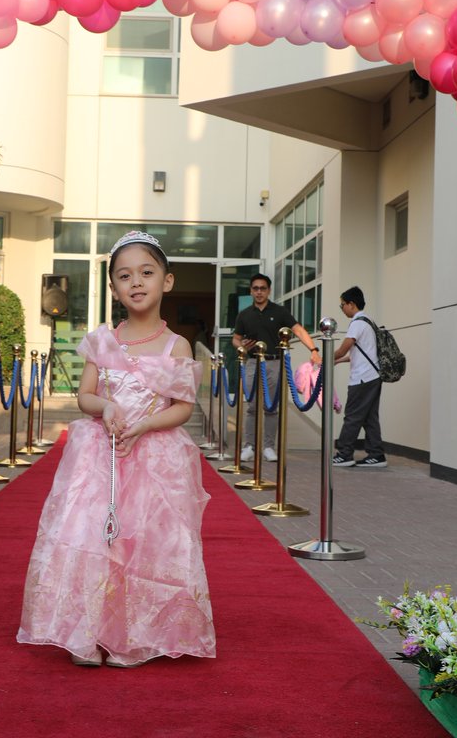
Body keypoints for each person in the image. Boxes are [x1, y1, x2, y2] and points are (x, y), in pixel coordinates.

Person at [18, 230, 215, 668]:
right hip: (99, 454)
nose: (137, 282)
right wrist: (105, 407)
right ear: (113, 288)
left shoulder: (176, 345)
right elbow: (84, 396)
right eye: (125, 276)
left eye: (147, 272)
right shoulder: (103, 341)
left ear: (167, 280)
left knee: (146, 543)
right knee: (94, 539)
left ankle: (137, 635)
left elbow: (183, 407)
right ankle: (88, 631)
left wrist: (144, 425)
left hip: (154, 457)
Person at [231, 273, 321, 463]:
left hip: (274, 362)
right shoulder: (245, 314)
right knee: (252, 407)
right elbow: (236, 338)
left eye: (263, 288)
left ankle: (268, 447)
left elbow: (298, 329)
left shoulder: (280, 312)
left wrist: (313, 349)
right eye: (255, 288)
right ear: (251, 291)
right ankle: (249, 446)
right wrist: (241, 347)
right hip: (253, 362)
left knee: (271, 407)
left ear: (269, 290)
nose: (259, 292)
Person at [332, 286, 387, 469]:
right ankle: (376, 455)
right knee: (369, 417)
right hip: (373, 376)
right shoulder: (369, 321)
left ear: (351, 304)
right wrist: (340, 361)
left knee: (353, 416)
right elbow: (363, 353)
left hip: (362, 379)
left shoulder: (357, 323)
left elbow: (343, 348)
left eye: (342, 305)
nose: (342, 309)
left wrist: (324, 358)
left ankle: (344, 454)